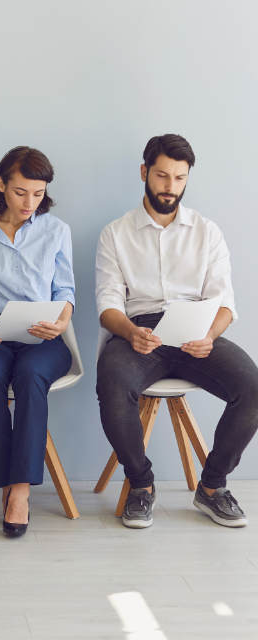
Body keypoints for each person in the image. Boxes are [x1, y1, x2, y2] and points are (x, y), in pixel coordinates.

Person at [96, 134, 258, 529]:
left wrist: (209, 334)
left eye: (179, 178)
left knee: (253, 387)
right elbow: (108, 304)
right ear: (144, 173)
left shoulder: (207, 232)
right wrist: (131, 331)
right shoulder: (115, 233)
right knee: (113, 383)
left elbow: (225, 301)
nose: (170, 187)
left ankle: (213, 487)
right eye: (162, 176)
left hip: (196, 331)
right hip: (139, 332)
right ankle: (141, 485)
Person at [0, 147, 75, 536]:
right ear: (1, 184)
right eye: (22, 191)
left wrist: (60, 324)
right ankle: (3, 485)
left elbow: (66, 292)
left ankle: (19, 491)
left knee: (29, 377)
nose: (30, 202)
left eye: (38, 193)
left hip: (43, 333)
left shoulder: (56, 230)